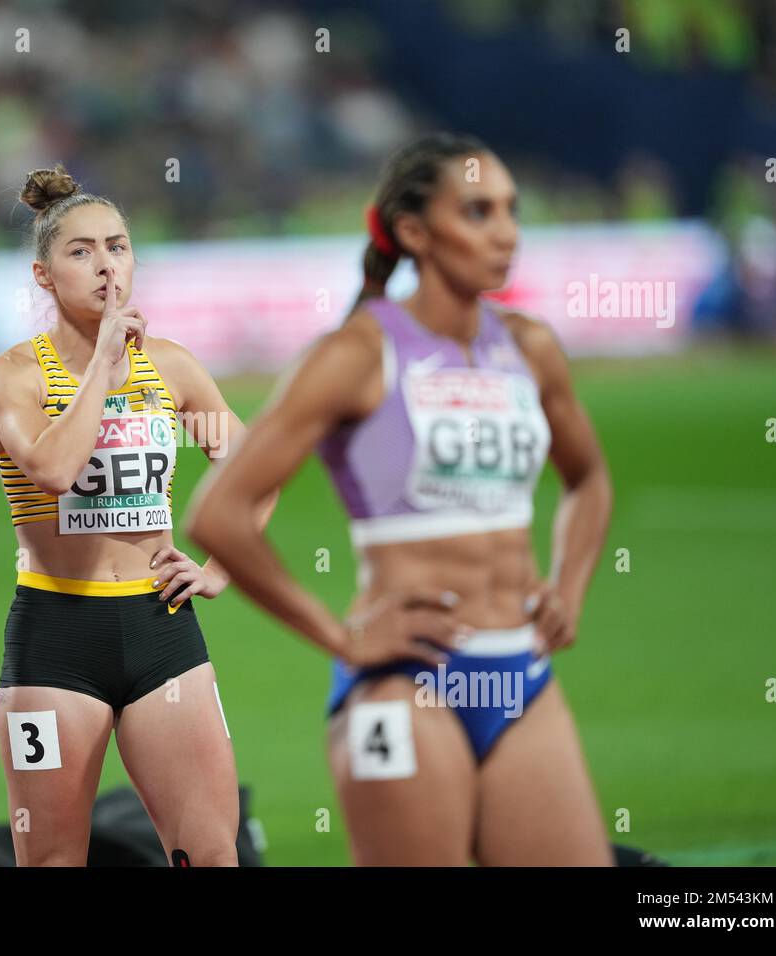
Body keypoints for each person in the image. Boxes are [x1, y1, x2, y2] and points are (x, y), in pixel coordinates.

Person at [186, 134, 614, 865]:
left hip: (523, 678)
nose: (506, 231)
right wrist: (342, 637)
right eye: (478, 212)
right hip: (404, 688)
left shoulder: (531, 348)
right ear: (415, 232)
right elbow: (217, 513)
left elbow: (590, 479)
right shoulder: (357, 353)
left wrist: (569, 586)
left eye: (511, 210)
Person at [0, 164, 275, 866]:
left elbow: (256, 469)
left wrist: (225, 567)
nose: (105, 264)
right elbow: (50, 470)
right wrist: (103, 365)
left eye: (117, 245)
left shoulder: (170, 367)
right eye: (80, 251)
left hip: (159, 629)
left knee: (211, 855)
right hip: (54, 640)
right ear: (44, 275)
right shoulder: (12, 375)